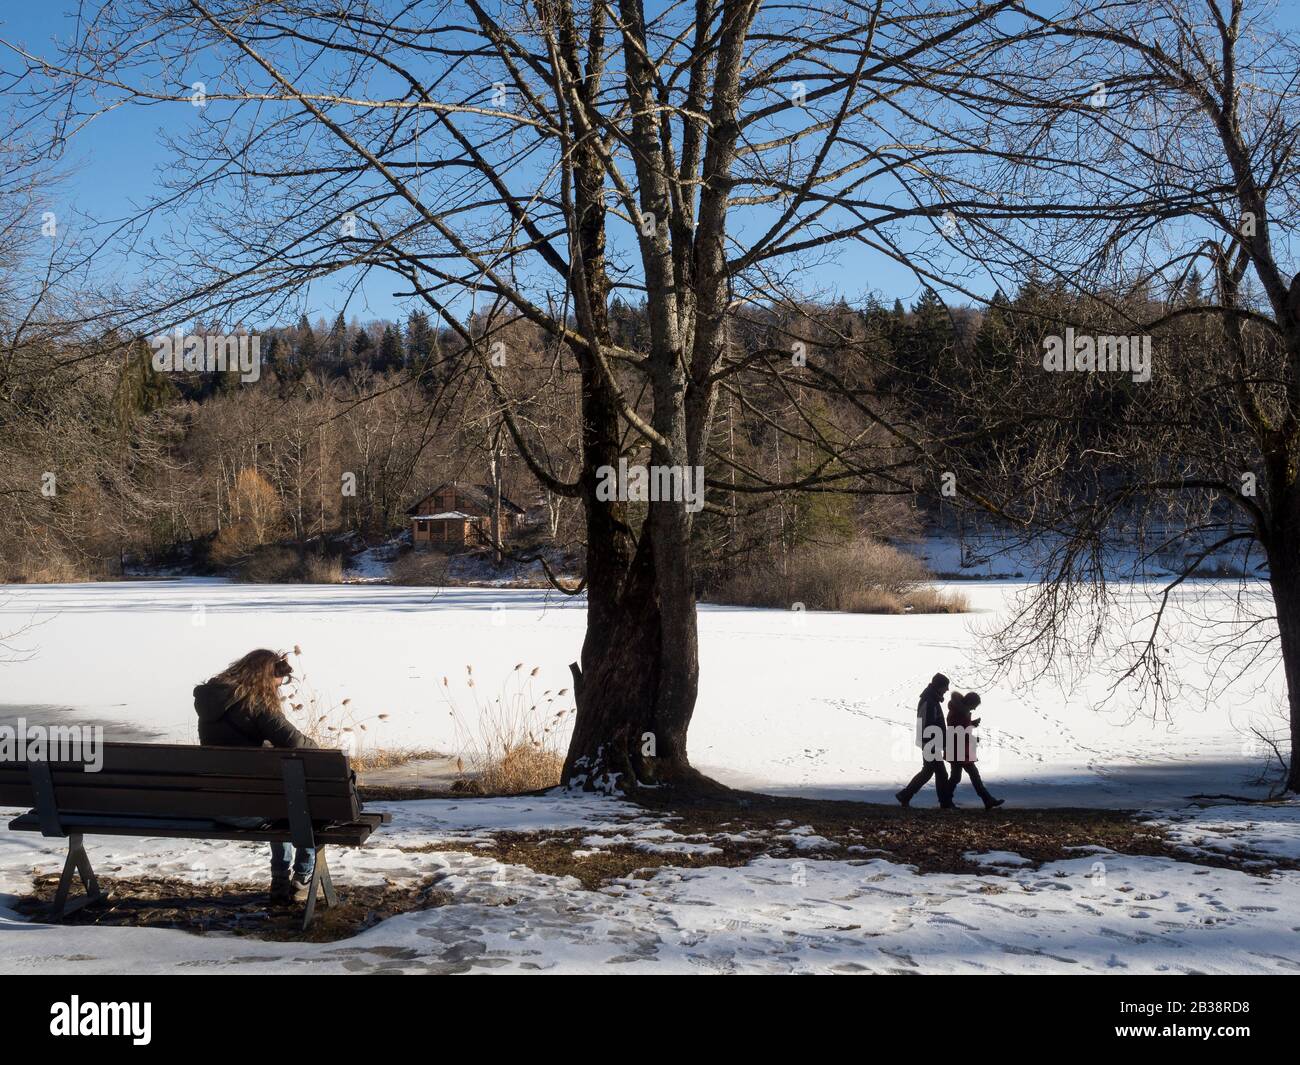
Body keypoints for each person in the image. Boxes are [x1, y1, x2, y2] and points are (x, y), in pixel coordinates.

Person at [193, 649, 318, 903]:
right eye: (276, 684)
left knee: (276, 799)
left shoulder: (210, 701)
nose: (277, 690)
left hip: (217, 808)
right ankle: (301, 878)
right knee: (300, 804)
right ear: (264, 678)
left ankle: (280, 878)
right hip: (252, 812)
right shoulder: (255, 704)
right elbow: (297, 743)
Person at [896, 672, 955, 808]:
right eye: (945, 687)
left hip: (930, 742)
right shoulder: (930, 701)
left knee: (928, 771)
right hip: (931, 743)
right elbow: (927, 724)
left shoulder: (930, 699)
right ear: (939, 686)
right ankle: (945, 803)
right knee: (941, 773)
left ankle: (905, 795)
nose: (947, 690)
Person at [945, 691, 1004, 810]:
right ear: (970, 703)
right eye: (975, 705)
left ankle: (987, 800)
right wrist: (972, 738)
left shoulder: (960, 711)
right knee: (957, 777)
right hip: (958, 750)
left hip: (962, 750)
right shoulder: (958, 713)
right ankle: (945, 800)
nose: (975, 708)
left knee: (971, 776)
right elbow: (957, 732)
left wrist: (971, 724)